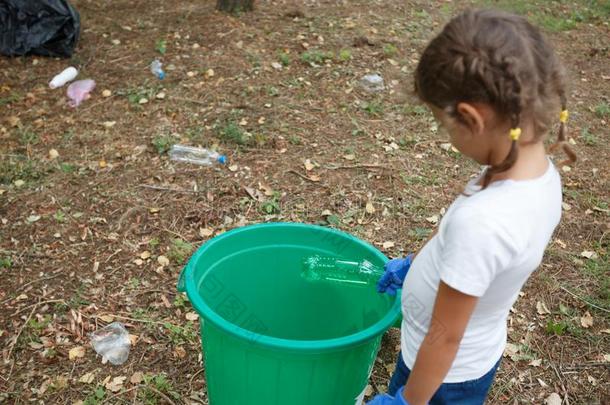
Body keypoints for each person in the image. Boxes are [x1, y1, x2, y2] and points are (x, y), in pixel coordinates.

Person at [368, 8, 575, 405]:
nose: (447, 136)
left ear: (470, 117)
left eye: (443, 124)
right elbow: (461, 240)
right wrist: (417, 265)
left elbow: (446, 337)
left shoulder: (485, 223)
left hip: (441, 379)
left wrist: (409, 401)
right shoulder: (529, 170)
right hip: (458, 361)